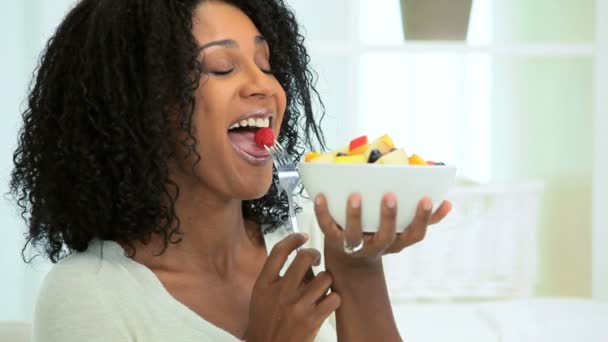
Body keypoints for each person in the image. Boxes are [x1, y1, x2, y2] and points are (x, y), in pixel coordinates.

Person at [10, 0, 452, 341]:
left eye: (266, 64)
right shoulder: (91, 293)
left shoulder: (313, 243)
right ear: (141, 108)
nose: (264, 86)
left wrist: (359, 268)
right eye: (222, 68)